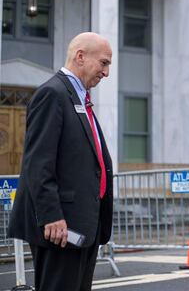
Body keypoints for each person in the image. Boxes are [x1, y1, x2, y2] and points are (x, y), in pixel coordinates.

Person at [9, 32, 114, 291]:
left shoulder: (78, 98)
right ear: (80, 56)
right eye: (103, 63)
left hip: (83, 226)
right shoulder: (52, 94)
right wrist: (51, 215)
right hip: (61, 228)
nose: (106, 72)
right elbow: (38, 163)